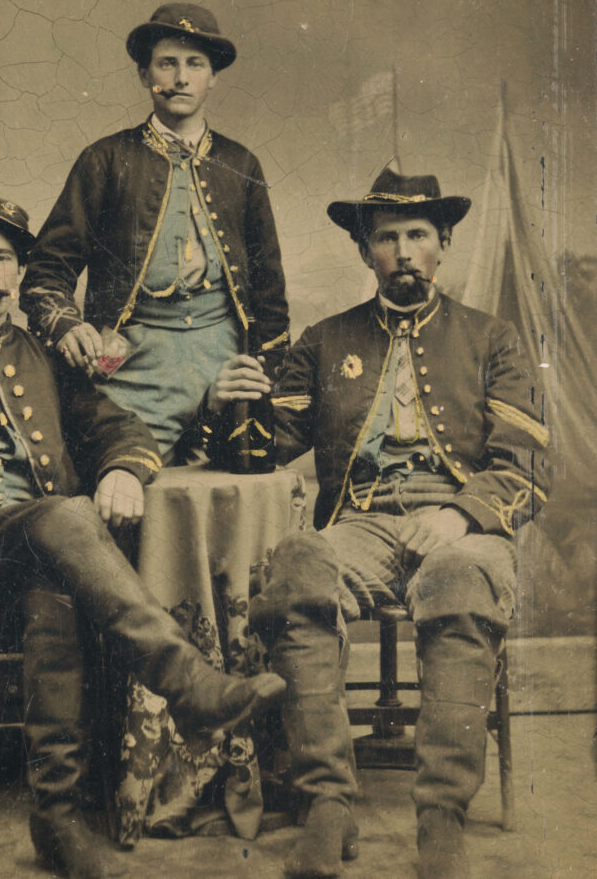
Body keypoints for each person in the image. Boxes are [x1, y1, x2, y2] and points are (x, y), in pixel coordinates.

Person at [0, 193, 285, 878]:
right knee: (65, 517)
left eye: (4, 258)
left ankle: (57, 817)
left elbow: (119, 429)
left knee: (55, 588)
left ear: (19, 272)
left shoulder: (46, 358)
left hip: (29, 557)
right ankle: (185, 680)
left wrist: (124, 469)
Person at [207, 168, 550, 878]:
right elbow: (262, 451)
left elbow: (526, 464)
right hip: (360, 522)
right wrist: (228, 404)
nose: (403, 251)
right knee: (297, 566)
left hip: (463, 527)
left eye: (417, 235)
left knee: (461, 585)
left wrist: (457, 516)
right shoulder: (324, 340)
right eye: (387, 238)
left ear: (442, 243)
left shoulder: (493, 339)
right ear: (366, 251)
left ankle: (441, 818)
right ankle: (328, 803)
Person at [19, 3, 290, 461]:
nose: (181, 78)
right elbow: (47, 270)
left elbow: (269, 293)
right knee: (119, 479)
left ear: (212, 77)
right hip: (129, 371)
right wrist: (67, 325)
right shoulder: (105, 159)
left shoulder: (241, 165)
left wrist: (261, 379)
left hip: (223, 365)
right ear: (145, 74)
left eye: (195, 64)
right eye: (167, 63)